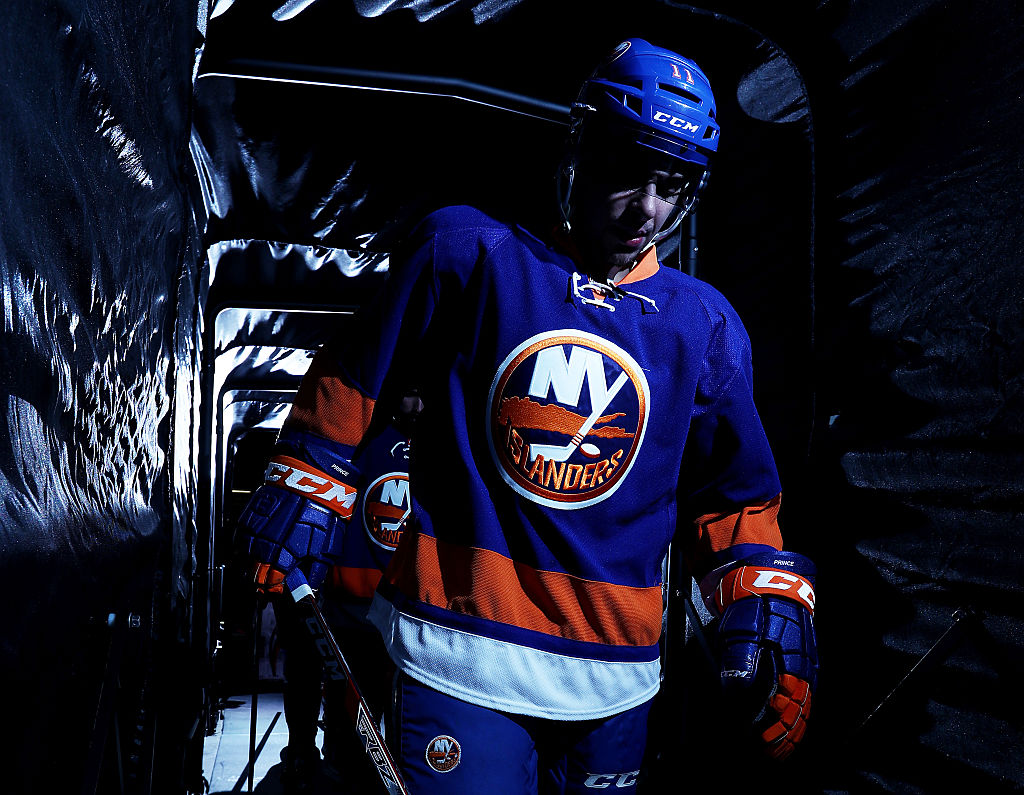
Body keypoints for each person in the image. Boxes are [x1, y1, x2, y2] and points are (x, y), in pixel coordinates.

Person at [238, 38, 818, 794]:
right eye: (629, 171)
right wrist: (308, 472)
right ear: (582, 147)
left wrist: (767, 600)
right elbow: (357, 372)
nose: (647, 209)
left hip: (618, 686)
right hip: (458, 660)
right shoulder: (468, 255)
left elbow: (736, 497)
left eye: (670, 184)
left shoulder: (703, 328)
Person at [241, 391, 421, 794]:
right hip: (344, 605)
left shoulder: (447, 441)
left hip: (409, 610)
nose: (418, 401)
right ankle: (305, 755)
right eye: (408, 390)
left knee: (401, 727)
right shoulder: (355, 432)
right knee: (345, 723)